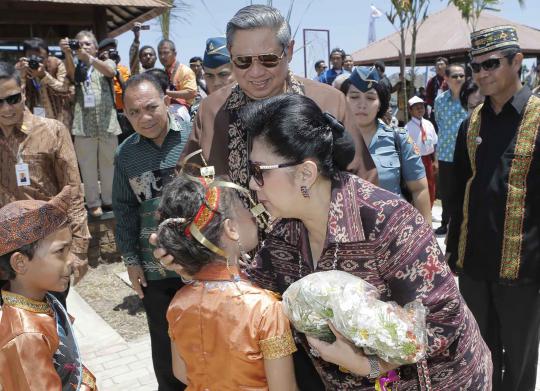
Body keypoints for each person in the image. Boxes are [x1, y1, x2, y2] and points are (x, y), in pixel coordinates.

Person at [240, 93, 491, 390]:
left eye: (259, 172)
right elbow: (251, 293)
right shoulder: (284, 235)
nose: (252, 184)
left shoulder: (388, 221)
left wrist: (369, 365)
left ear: (306, 173)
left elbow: (441, 321)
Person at [179, 4, 377, 191]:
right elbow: (188, 184)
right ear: (231, 55)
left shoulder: (329, 102)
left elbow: (364, 185)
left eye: (268, 59)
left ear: (289, 51)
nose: (256, 72)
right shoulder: (211, 111)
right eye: (243, 61)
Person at [447, 25, 540, 391]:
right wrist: (453, 254)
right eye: (476, 66)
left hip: (524, 270)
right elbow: (456, 197)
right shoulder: (470, 125)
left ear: (517, 61)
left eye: (492, 64)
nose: (482, 74)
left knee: (518, 365)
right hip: (474, 266)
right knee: (478, 360)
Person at [156, 174, 298, 390]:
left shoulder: (178, 303)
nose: (252, 213)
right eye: (244, 207)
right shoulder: (264, 309)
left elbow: (182, 373)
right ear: (231, 228)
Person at [112, 73, 188, 391]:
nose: (144, 118)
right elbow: (124, 210)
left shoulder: (194, 137)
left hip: (201, 263)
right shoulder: (126, 155)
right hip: (155, 270)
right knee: (164, 344)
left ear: (167, 102)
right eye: (133, 112)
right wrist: (131, 260)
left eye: (151, 107)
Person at [0, 62, 90, 304]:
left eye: (12, 98)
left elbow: (73, 192)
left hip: (47, 250)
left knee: (52, 326)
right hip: (5, 252)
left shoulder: (53, 131)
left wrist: (79, 250)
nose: (6, 109)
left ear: (22, 90)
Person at [0, 187, 97, 391]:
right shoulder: (26, 336)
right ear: (20, 263)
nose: (71, 260)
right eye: (61, 251)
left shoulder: (42, 302)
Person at [341, 67, 431, 224]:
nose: (362, 105)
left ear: (380, 103)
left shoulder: (399, 138)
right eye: (354, 97)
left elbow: (419, 189)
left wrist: (426, 237)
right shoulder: (330, 140)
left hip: (393, 233)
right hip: (346, 236)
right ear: (343, 99)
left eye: (370, 98)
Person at [60, 30, 122, 218]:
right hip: (84, 124)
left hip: (107, 123)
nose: (84, 46)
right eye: (80, 43)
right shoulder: (76, 66)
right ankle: (93, 203)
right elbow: (70, 75)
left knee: (109, 165)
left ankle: (109, 200)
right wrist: (68, 54)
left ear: (95, 48)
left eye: (88, 44)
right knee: (87, 167)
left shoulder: (106, 61)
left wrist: (89, 58)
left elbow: (111, 72)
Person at [433, 63, 467, 235]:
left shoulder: (472, 98)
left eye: (462, 75)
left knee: (465, 190)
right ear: (446, 78)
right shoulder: (439, 100)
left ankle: (463, 224)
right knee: (447, 191)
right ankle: (446, 223)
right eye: (455, 76)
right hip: (446, 153)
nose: (459, 78)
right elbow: (438, 122)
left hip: (467, 153)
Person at [15, 37, 75, 130]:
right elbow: (15, 98)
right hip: (31, 124)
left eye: (41, 58)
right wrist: (22, 77)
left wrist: (44, 76)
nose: (36, 61)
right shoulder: (20, 67)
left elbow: (64, 89)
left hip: (57, 121)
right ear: (24, 56)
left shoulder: (56, 64)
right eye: (31, 57)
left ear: (48, 56)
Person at [405, 96, 438, 207]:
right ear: (410, 110)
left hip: (429, 159)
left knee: (431, 185)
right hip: (415, 160)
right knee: (418, 186)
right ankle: (418, 209)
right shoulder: (407, 128)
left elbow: (434, 143)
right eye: (416, 107)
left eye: (422, 107)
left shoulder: (429, 124)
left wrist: (436, 161)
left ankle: (430, 208)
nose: (420, 109)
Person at [158, 39, 197, 122]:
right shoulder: (162, 73)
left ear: (174, 53)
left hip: (182, 110)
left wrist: (167, 93)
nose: (162, 57)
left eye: (165, 53)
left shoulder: (185, 70)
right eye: (160, 53)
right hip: (167, 108)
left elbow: (192, 93)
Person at [425, 56, 449, 126]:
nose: (439, 66)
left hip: (449, 109)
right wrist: (432, 106)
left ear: (446, 66)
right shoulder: (432, 81)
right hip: (436, 111)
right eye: (437, 65)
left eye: (441, 64)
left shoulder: (452, 79)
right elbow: (428, 96)